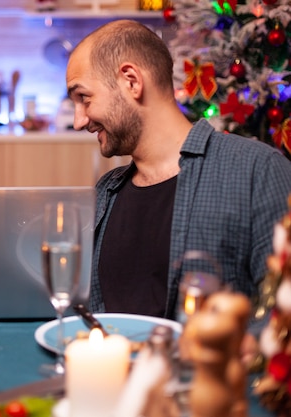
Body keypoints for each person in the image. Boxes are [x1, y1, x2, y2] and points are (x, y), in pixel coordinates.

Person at [66, 20, 291, 320]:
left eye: (84, 98)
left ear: (131, 81)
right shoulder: (105, 192)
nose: (79, 121)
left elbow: (282, 317)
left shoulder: (258, 170)